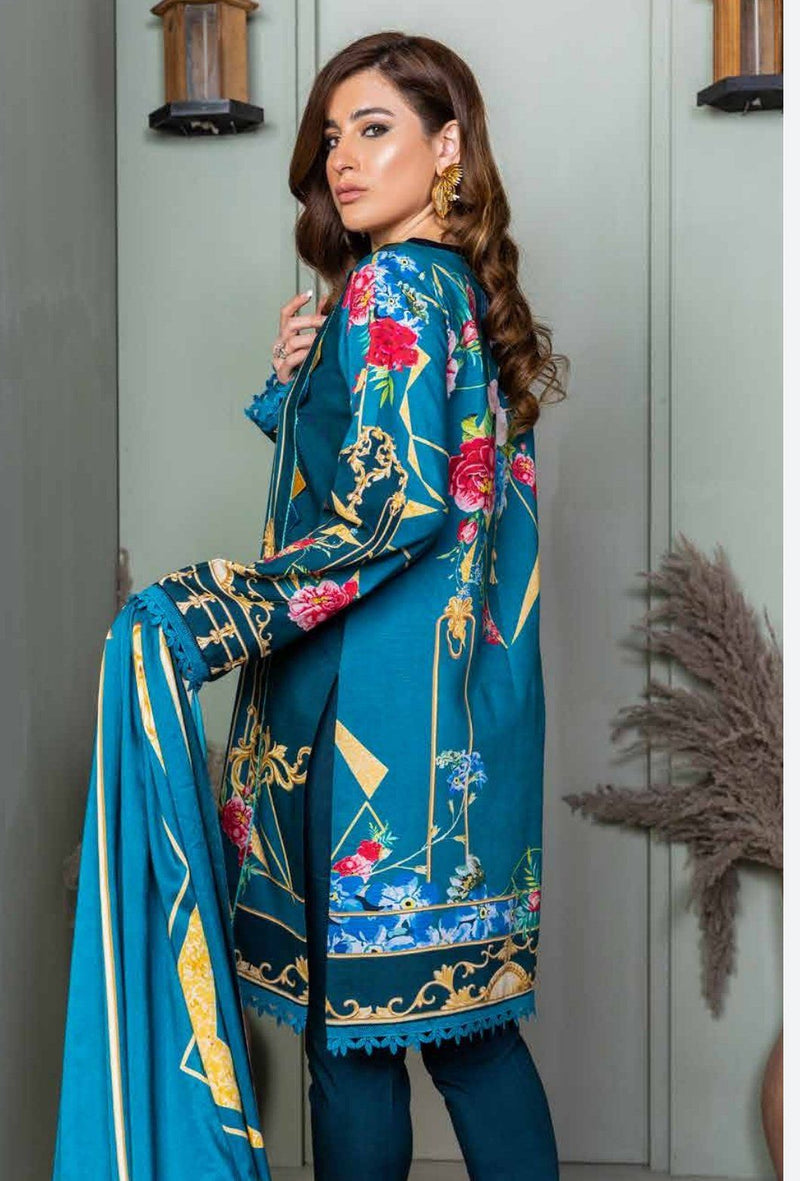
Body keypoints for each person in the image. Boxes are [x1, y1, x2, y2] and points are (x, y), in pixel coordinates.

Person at [131, 29, 568, 1181]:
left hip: (373, 724)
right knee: (468, 1037)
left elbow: (389, 510)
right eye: (332, 135)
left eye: (374, 128)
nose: (342, 157)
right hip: (459, 722)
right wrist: (301, 389)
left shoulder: (392, 286)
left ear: (447, 146)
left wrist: (210, 610)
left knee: (355, 1050)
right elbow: (431, 490)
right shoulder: (451, 289)